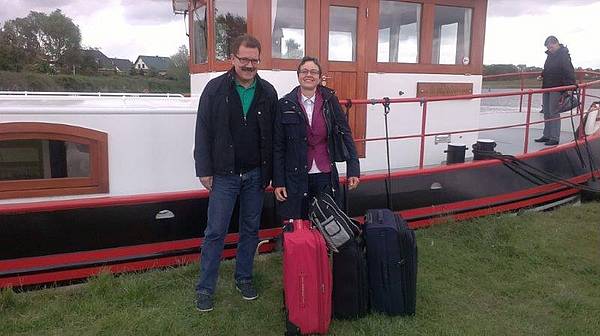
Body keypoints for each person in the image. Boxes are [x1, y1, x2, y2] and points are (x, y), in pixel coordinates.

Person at [193, 34, 278, 312]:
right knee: (215, 232)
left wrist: (272, 174)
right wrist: (203, 169)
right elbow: (202, 131)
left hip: (255, 175)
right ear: (233, 59)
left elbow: (274, 137)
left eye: (254, 60)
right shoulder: (214, 89)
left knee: (250, 231)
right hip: (224, 176)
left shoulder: (268, 92)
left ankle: (244, 278)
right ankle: (205, 288)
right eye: (244, 59)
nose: (249, 65)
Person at [273, 56, 360, 220]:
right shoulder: (284, 104)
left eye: (314, 72)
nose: (309, 75)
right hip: (296, 175)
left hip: (324, 173)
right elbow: (278, 145)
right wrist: (279, 181)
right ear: (298, 75)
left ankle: (325, 247)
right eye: (304, 71)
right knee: (300, 221)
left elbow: (345, 132)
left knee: (327, 221)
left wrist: (353, 168)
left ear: (320, 77)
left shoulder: (330, 101)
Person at [535, 35, 576, 146]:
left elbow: (568, 71)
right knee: (546, 112)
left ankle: (554, 137)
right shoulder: (550, 55)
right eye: (548, 48)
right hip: (547, 86)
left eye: (551, 47)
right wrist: (542, 75)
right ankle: (547, 135)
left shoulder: (564, 55)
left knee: (553, 112)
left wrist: (570, 87)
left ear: (557, 43)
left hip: (557, 87)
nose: (550, 49)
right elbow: (548, 68)